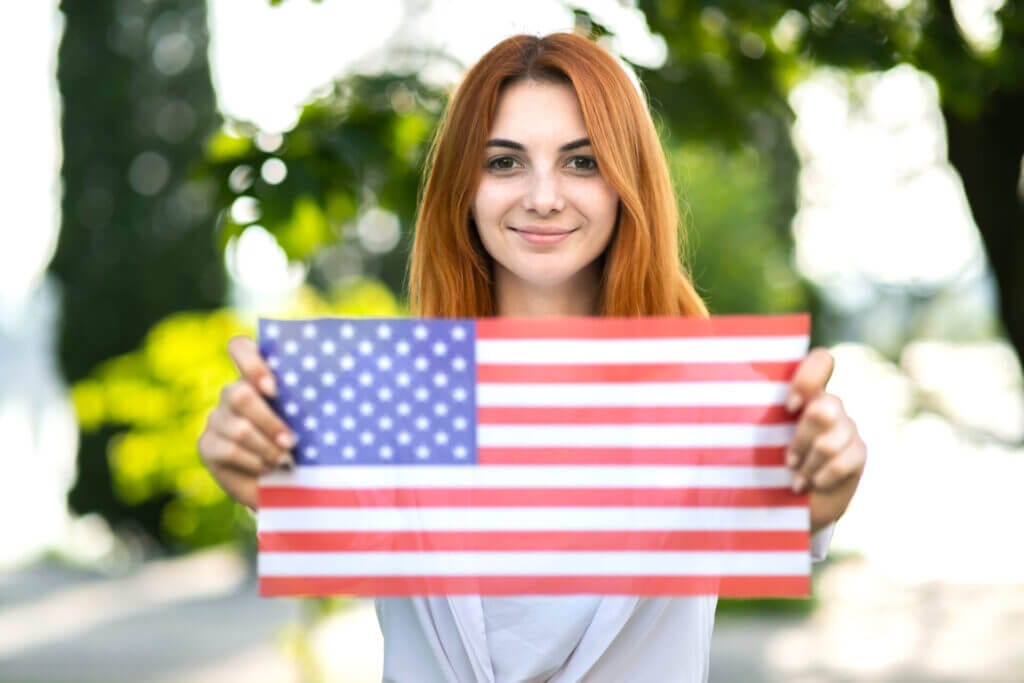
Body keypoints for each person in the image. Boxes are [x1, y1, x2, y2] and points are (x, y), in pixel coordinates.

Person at [198, 32, 867, 682]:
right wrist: (266, 470)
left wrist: (826, 482)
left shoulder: (708, 392)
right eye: (504, 162)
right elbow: (336, 523)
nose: (543, 197)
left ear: (624, 183)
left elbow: (786, 503)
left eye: (582, 162)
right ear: (463, 187)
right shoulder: (398, 393)